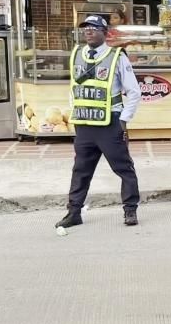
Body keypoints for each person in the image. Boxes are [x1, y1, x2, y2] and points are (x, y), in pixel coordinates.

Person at [55, 15, 142, 229]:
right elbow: (74, 88)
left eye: (94, 28)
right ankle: (74, 212)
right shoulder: (77, 54)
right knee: (80, 170)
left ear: (105, 33)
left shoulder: (116, 57)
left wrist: (123, 120)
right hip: (84, 124)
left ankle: (130, 210)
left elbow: (134, 92)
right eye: (86, 28)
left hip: (110, 124)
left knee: (123, 168)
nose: (89, 31)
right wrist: (74, 111)